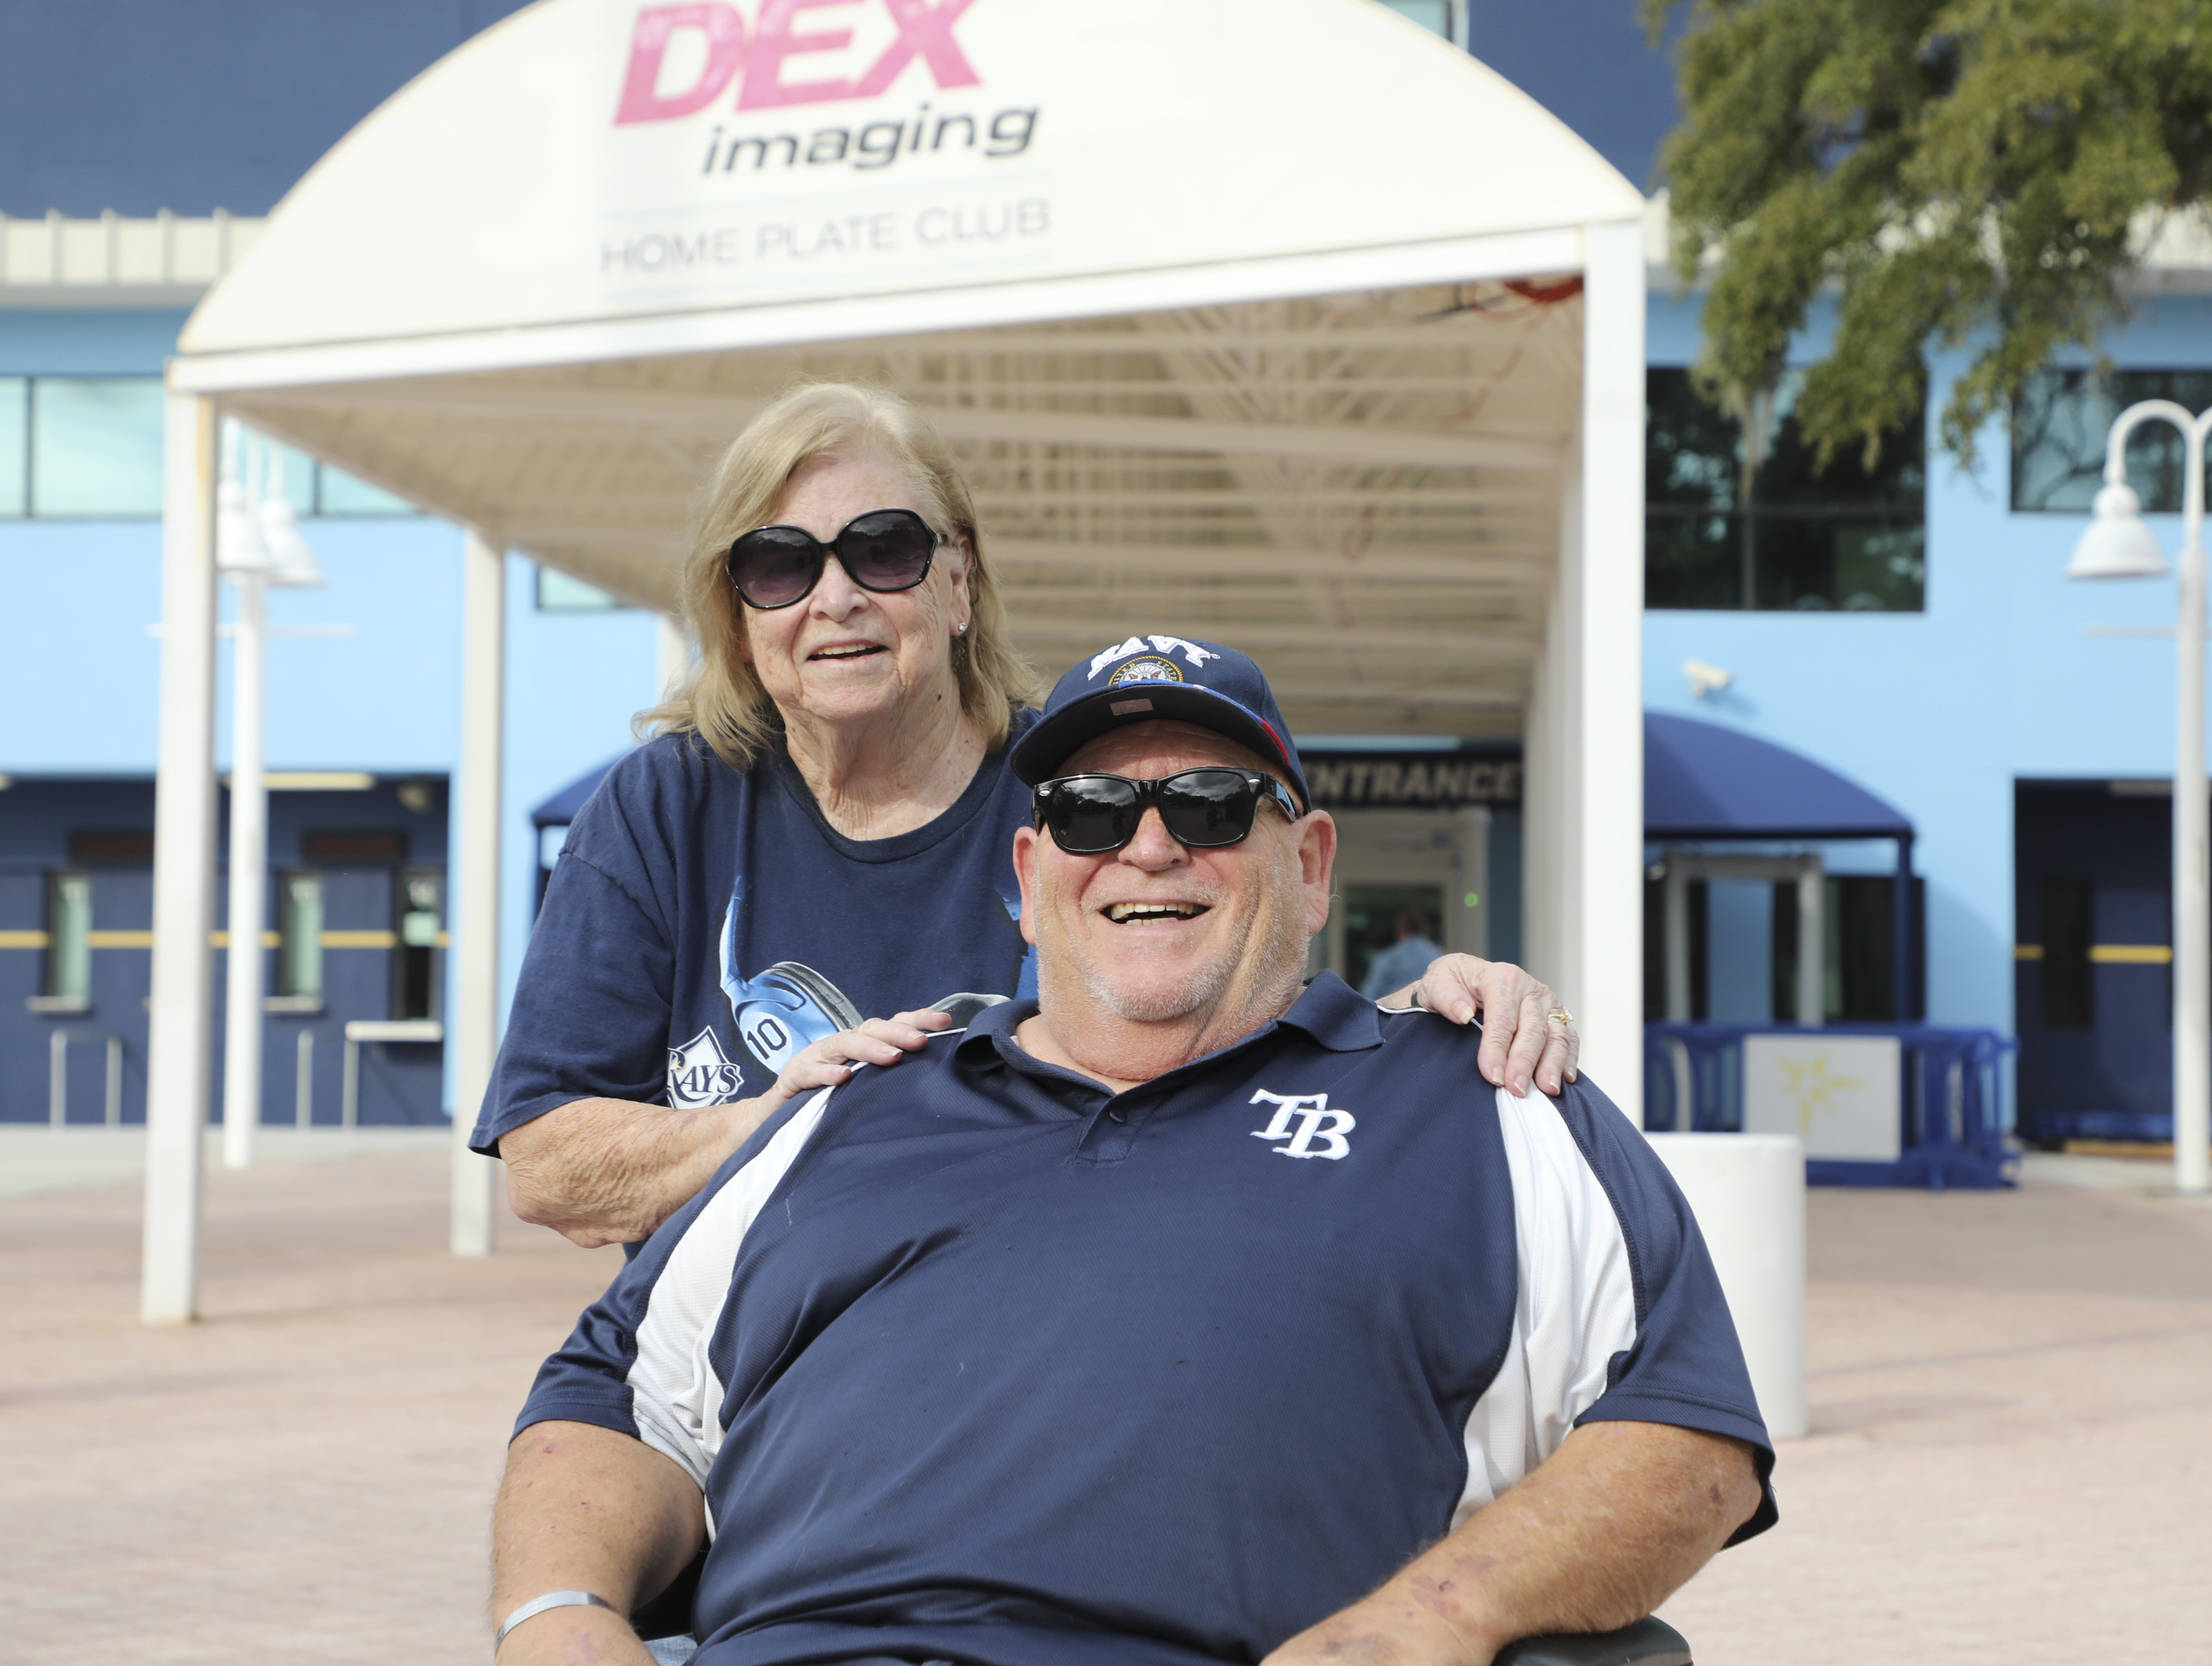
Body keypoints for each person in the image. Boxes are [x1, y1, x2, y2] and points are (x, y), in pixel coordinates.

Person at [489, 638, 1776, 1666]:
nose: (1148, 844)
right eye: (1093, 808)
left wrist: (1435, 1615)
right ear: (1028, 869)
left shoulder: (1479, 1098)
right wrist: (555, 1611)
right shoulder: (854, 1098)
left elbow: (1683, 1435)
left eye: (1212, 802)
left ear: (1311, 863)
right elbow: (613, 1395)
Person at [473, 380, 1581, 1249]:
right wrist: (777, 1121)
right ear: (737, 608)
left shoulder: (1084, 791)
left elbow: (1233, 1050)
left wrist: (1431, 1029)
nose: (837, 596)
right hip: (731, 1370)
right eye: (779, 564)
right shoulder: (667, 802)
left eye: (885, 549)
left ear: (958, 583)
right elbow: (549, 1164)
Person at [1359, 906, 1444, 1001]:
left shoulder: (1387, 959)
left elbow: (1369, 997)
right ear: (1426, 930)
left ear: (1400, 931)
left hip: (1395, 1013)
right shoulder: (1439, 957)